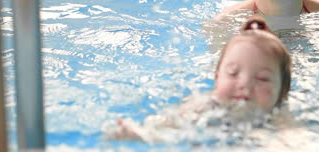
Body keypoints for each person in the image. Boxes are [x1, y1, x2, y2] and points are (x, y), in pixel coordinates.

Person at [106, 16, 293, 143]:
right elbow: (167, 125)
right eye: (233, 73)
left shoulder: (279, 117)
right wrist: (140, 134)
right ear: (217, 78)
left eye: (262, 78)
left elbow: (296, 140)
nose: (244, 84)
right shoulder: (204, 105)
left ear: (282, 93)